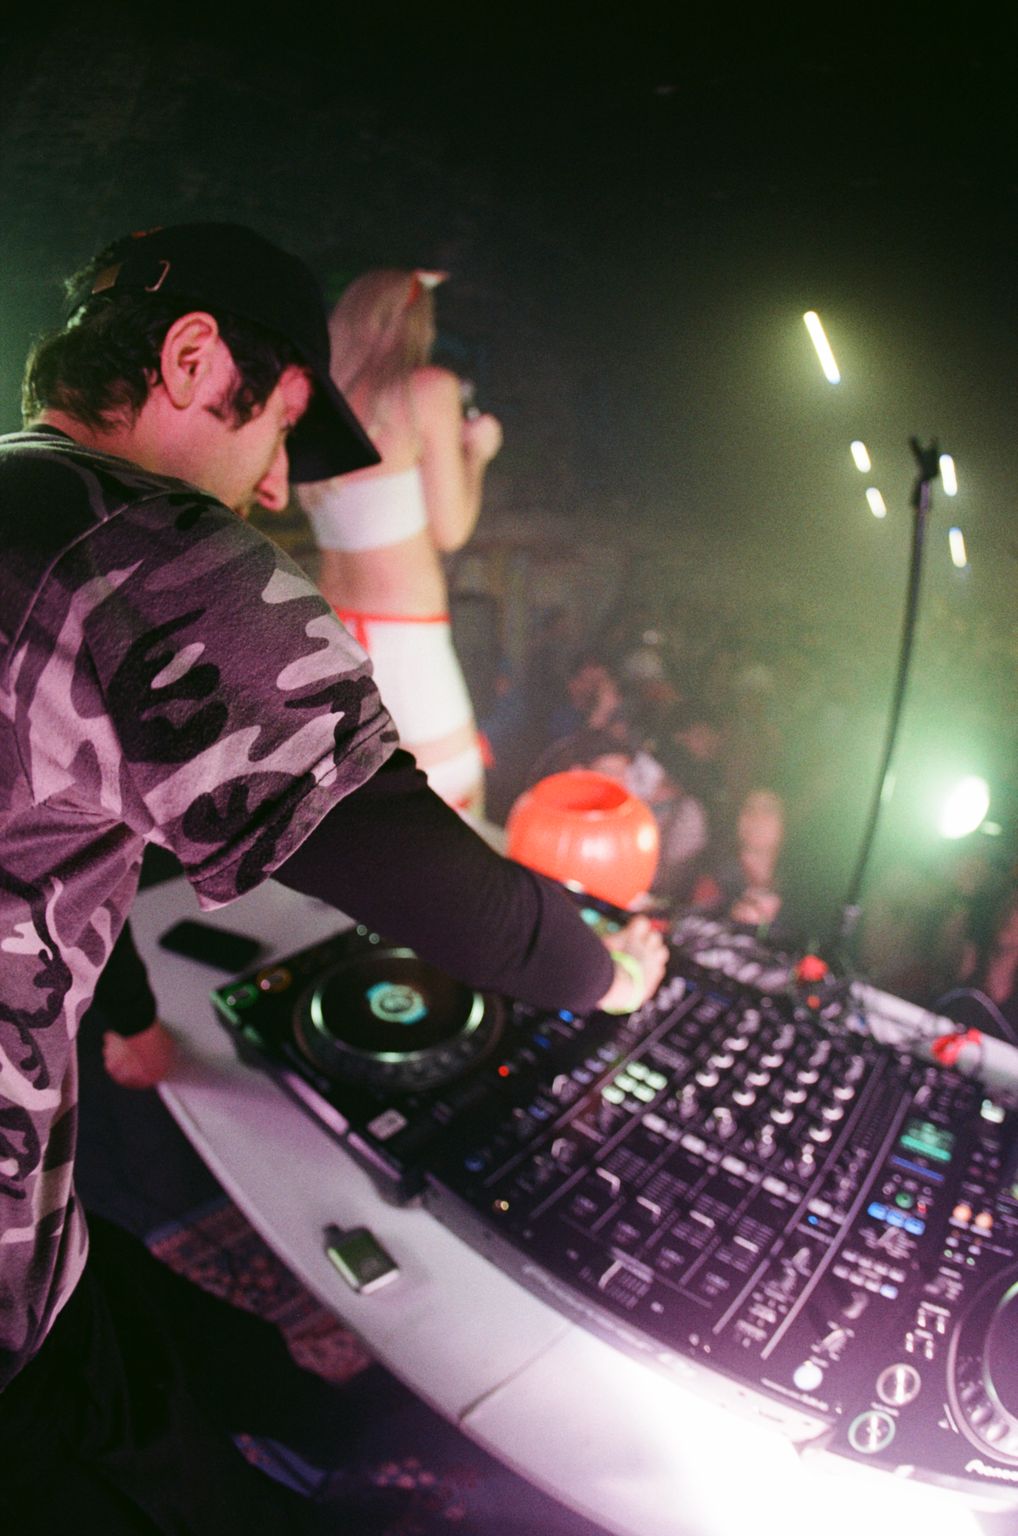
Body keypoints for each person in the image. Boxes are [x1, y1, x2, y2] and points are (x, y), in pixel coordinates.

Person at [0, 221, 667, 1535]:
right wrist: (607, 970)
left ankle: (323, 1421)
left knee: (162, 1331)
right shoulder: (145, 551)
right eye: (279, 430)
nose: (269, 492)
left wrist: (123, 1012)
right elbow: (455, 902)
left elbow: (50, 833)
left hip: (46, 1245)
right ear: (194, 359)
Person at [296, 268, 501, 816]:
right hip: (409, 637)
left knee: (352, 803)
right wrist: (477, 455)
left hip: (329, 630)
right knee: (453, 799)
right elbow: (452, 530)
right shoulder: (425, 390)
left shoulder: (318, 404)